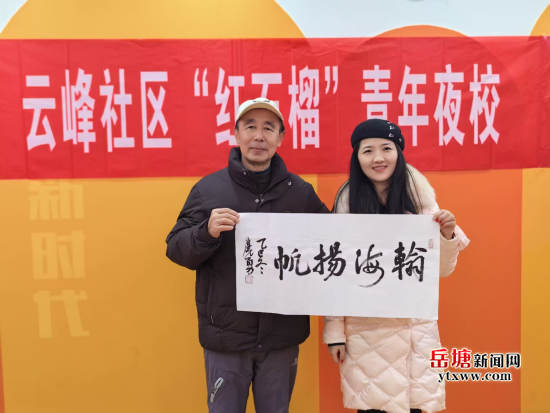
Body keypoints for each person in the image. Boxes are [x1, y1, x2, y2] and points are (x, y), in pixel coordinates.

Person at [166, 98, 329, 413]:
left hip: (282, 336)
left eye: (268, 128)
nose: (258, 136)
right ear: (236, 134)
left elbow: (333, 243)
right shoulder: (208, 190)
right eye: (250, 127)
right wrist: (205, 232)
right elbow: (175, 248)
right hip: (227, 337)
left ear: (280, 138)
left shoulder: (300, 192)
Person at [323, 118, 470, 413]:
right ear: (357, 157)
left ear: (398, 152)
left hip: (415, 331)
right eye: (368, 150)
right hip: (365, 334)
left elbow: (442, 271)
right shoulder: (347, 203)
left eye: (386, 148)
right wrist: (335, 334)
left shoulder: (421, 200)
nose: (378, 158)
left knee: (414, 405)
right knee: (373, 405)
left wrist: (446, 235)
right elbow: (336, 275)